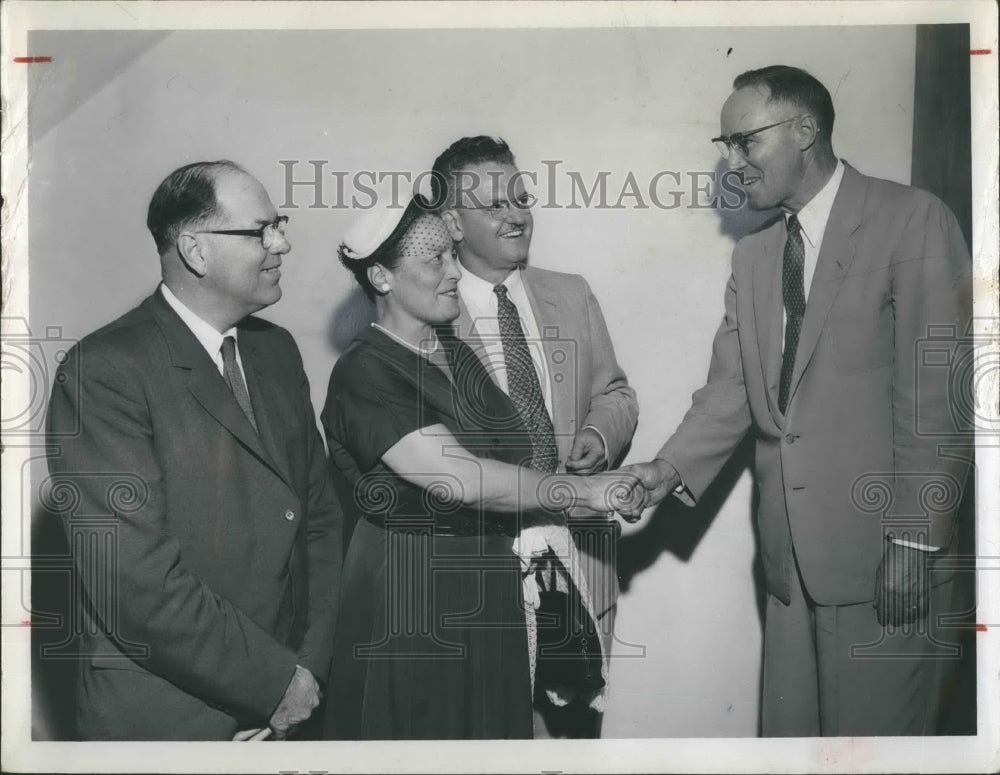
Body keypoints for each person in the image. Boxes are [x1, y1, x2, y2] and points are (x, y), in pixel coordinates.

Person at [622, 66, 973, 736]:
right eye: (725, 145)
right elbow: (732, 389)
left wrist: (912, 540)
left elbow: (941, 396)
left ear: (805, 130)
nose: (731, 163)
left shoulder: (912, 220)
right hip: (787, 569)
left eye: (745, 141)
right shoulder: (755, 258)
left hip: (886, 564)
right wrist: (664, 471)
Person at [44, 160, 342, 740]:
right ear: (195, 250)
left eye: (278, 225)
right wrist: (274, 684)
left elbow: (321, 522)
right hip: (171, 717)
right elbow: (135, 584)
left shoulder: (276, 352)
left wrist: (308, 671)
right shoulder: (103, 371)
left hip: (289, 703)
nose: (282, 244)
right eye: (260, 231)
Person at [321, 194, 636, 740]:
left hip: (489, 586)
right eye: (434, 261)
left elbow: (509, 457)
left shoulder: (454, 353)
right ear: (381, 276)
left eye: (452, 254)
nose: (453, 271)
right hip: (415, 597)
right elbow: (462, 479)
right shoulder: (365, 372)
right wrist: (585, 493)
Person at [430, 136, 639, 737]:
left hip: (578, 557)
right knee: (490, 738)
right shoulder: (431, 314)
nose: (516, 215)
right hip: (484, 566)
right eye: (495, 204)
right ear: (452, 222)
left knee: (572, 741)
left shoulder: (570, 293)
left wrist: (598, 433)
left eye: (521, 198)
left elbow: (616, 393)